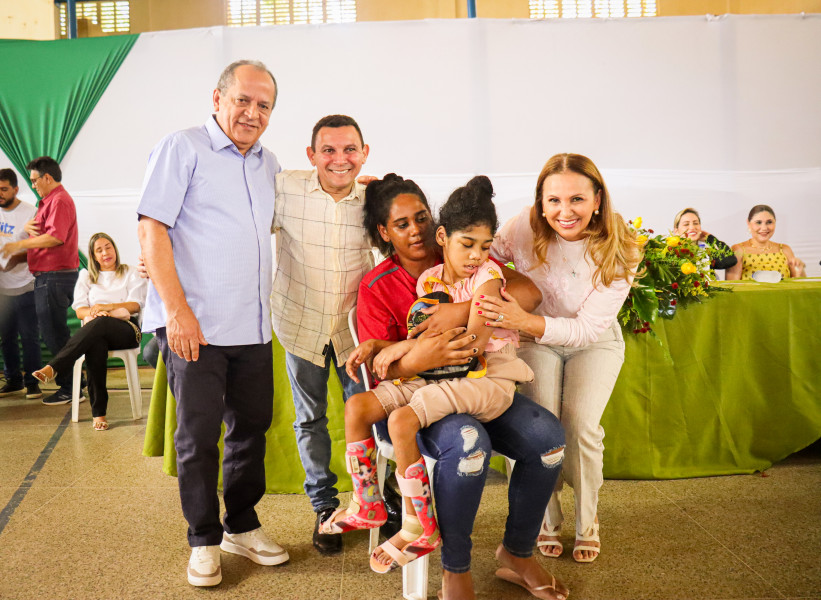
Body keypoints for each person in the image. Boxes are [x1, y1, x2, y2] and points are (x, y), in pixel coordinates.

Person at [345, 174, 569, 600]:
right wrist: (417, 353)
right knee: (470, 447)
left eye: (421, 219)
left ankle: (518, 553)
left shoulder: (465, 255)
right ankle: (455, 567)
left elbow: (525, 294)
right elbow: (384, 369)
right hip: (422, 387)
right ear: (384, 232)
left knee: (548, 441)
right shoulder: (384, 284)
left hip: (480, 378)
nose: (415, 231)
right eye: (401, 224)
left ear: (436, 224)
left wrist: (462, 311)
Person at [137, 60, 288, 587]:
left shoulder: (269, 164)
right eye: (243, 100)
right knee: (198, 437)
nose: (252, 112)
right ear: (218, 98)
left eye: (264, 105)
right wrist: (176, 312)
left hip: (251, 326)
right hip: (194, 326)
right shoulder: (182, 148)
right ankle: (202, 539)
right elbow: (152, 229)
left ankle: (240, 526)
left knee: (251, 429)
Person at [478, 153, 640, 564]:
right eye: (553, 200)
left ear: (598, 198)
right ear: (540, 201)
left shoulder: (622, 246)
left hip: (594, 341)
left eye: (576, 200)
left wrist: (524, 319)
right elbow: (487, 258)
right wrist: (512, 289)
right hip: (536, 336)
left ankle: (588, 523)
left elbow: (586, 329)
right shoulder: (523, 225)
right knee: (538, 428)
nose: (564, 212)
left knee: (581, 426)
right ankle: (544, 520)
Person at [271, 114, 376, 555]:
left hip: (357, 332)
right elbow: (232, 226)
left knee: (370, 417)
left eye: (349, 149)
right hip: (301, 325)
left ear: (364, 153)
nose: (340, 159)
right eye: (328, 150)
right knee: (309, 419)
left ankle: (372, 500)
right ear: (311, 155)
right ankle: (324, 507)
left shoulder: (376, 199)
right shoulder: (282, 189)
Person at [32, 233, 146, 430]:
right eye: (99, 250)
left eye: (108, 247)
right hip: (97, 331)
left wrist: (106, 307)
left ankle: (55, 366)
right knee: (95, 343)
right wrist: (94, 311)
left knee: (99, 323)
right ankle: (99, 415)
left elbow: (135, 305)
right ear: (93, 256)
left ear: (114, 249)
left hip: (127, 330)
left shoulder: (130, 271)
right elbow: (79, 310)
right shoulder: (86, 276)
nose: (105, 253)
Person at [0, 156, 79, 406]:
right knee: (53, 333)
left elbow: (56, 238)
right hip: (46, 276)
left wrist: (18, 244)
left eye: (35, 180)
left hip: (54, 277)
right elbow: (46, 236)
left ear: (47, 177)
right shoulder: (47, 202)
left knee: (53, 335)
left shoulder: (59, 200)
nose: (33, 185)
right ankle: (76, 382)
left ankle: (70, 387)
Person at [0, 168, 42, 400]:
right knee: (6, 337)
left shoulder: (30, 213)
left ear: (16, 189)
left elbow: (37, 249)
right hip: (2, 291)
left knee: (29, 336)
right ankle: (13, 380)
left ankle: (33, 383)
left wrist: (12, 261)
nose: (0, 193)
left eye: (4, 189)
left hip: (26, 285)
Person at [725, 204, 806, 280]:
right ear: (748, 223)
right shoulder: (738, 250)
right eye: (758, 222)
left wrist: (799, 270)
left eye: (769, 222)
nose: (764, 228)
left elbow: (799, 286)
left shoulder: (785, 249)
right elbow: (732, 287)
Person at [672, 207, 737, 271]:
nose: (692, 227)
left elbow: (730, 260)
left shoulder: (705, 252)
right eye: (686, 224)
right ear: (676, 231)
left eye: (695, 223)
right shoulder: (671, 253)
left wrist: (710, 238)